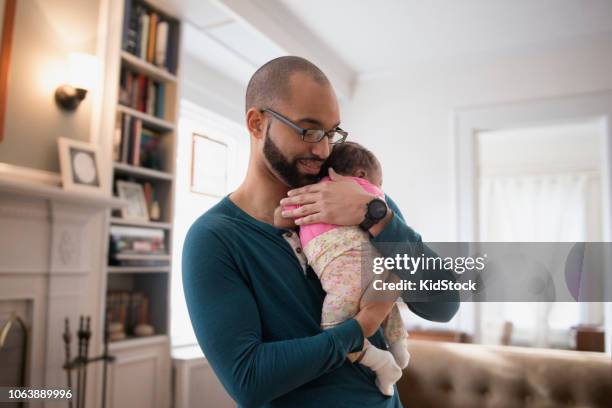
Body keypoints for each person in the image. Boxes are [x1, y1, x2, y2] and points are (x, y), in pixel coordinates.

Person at [182, 56, 459, 408]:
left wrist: (376, 216)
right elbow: (249, 380)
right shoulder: (214, 238)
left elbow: (445, 304)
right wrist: (361, 326)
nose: (324, 149)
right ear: (256, 123)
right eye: (309, 131)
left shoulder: (364, 198)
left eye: (331, 133)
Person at [273, 141, 410, 396]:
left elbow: (279, 217)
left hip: (343, 273)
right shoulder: (375, 197)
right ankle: (398, 342)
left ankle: (382, 363)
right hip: (374, 264)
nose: (379, 188)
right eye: (378, 182)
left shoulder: (315, 194)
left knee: (335, 330)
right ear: (360, 175)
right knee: (385, 299)